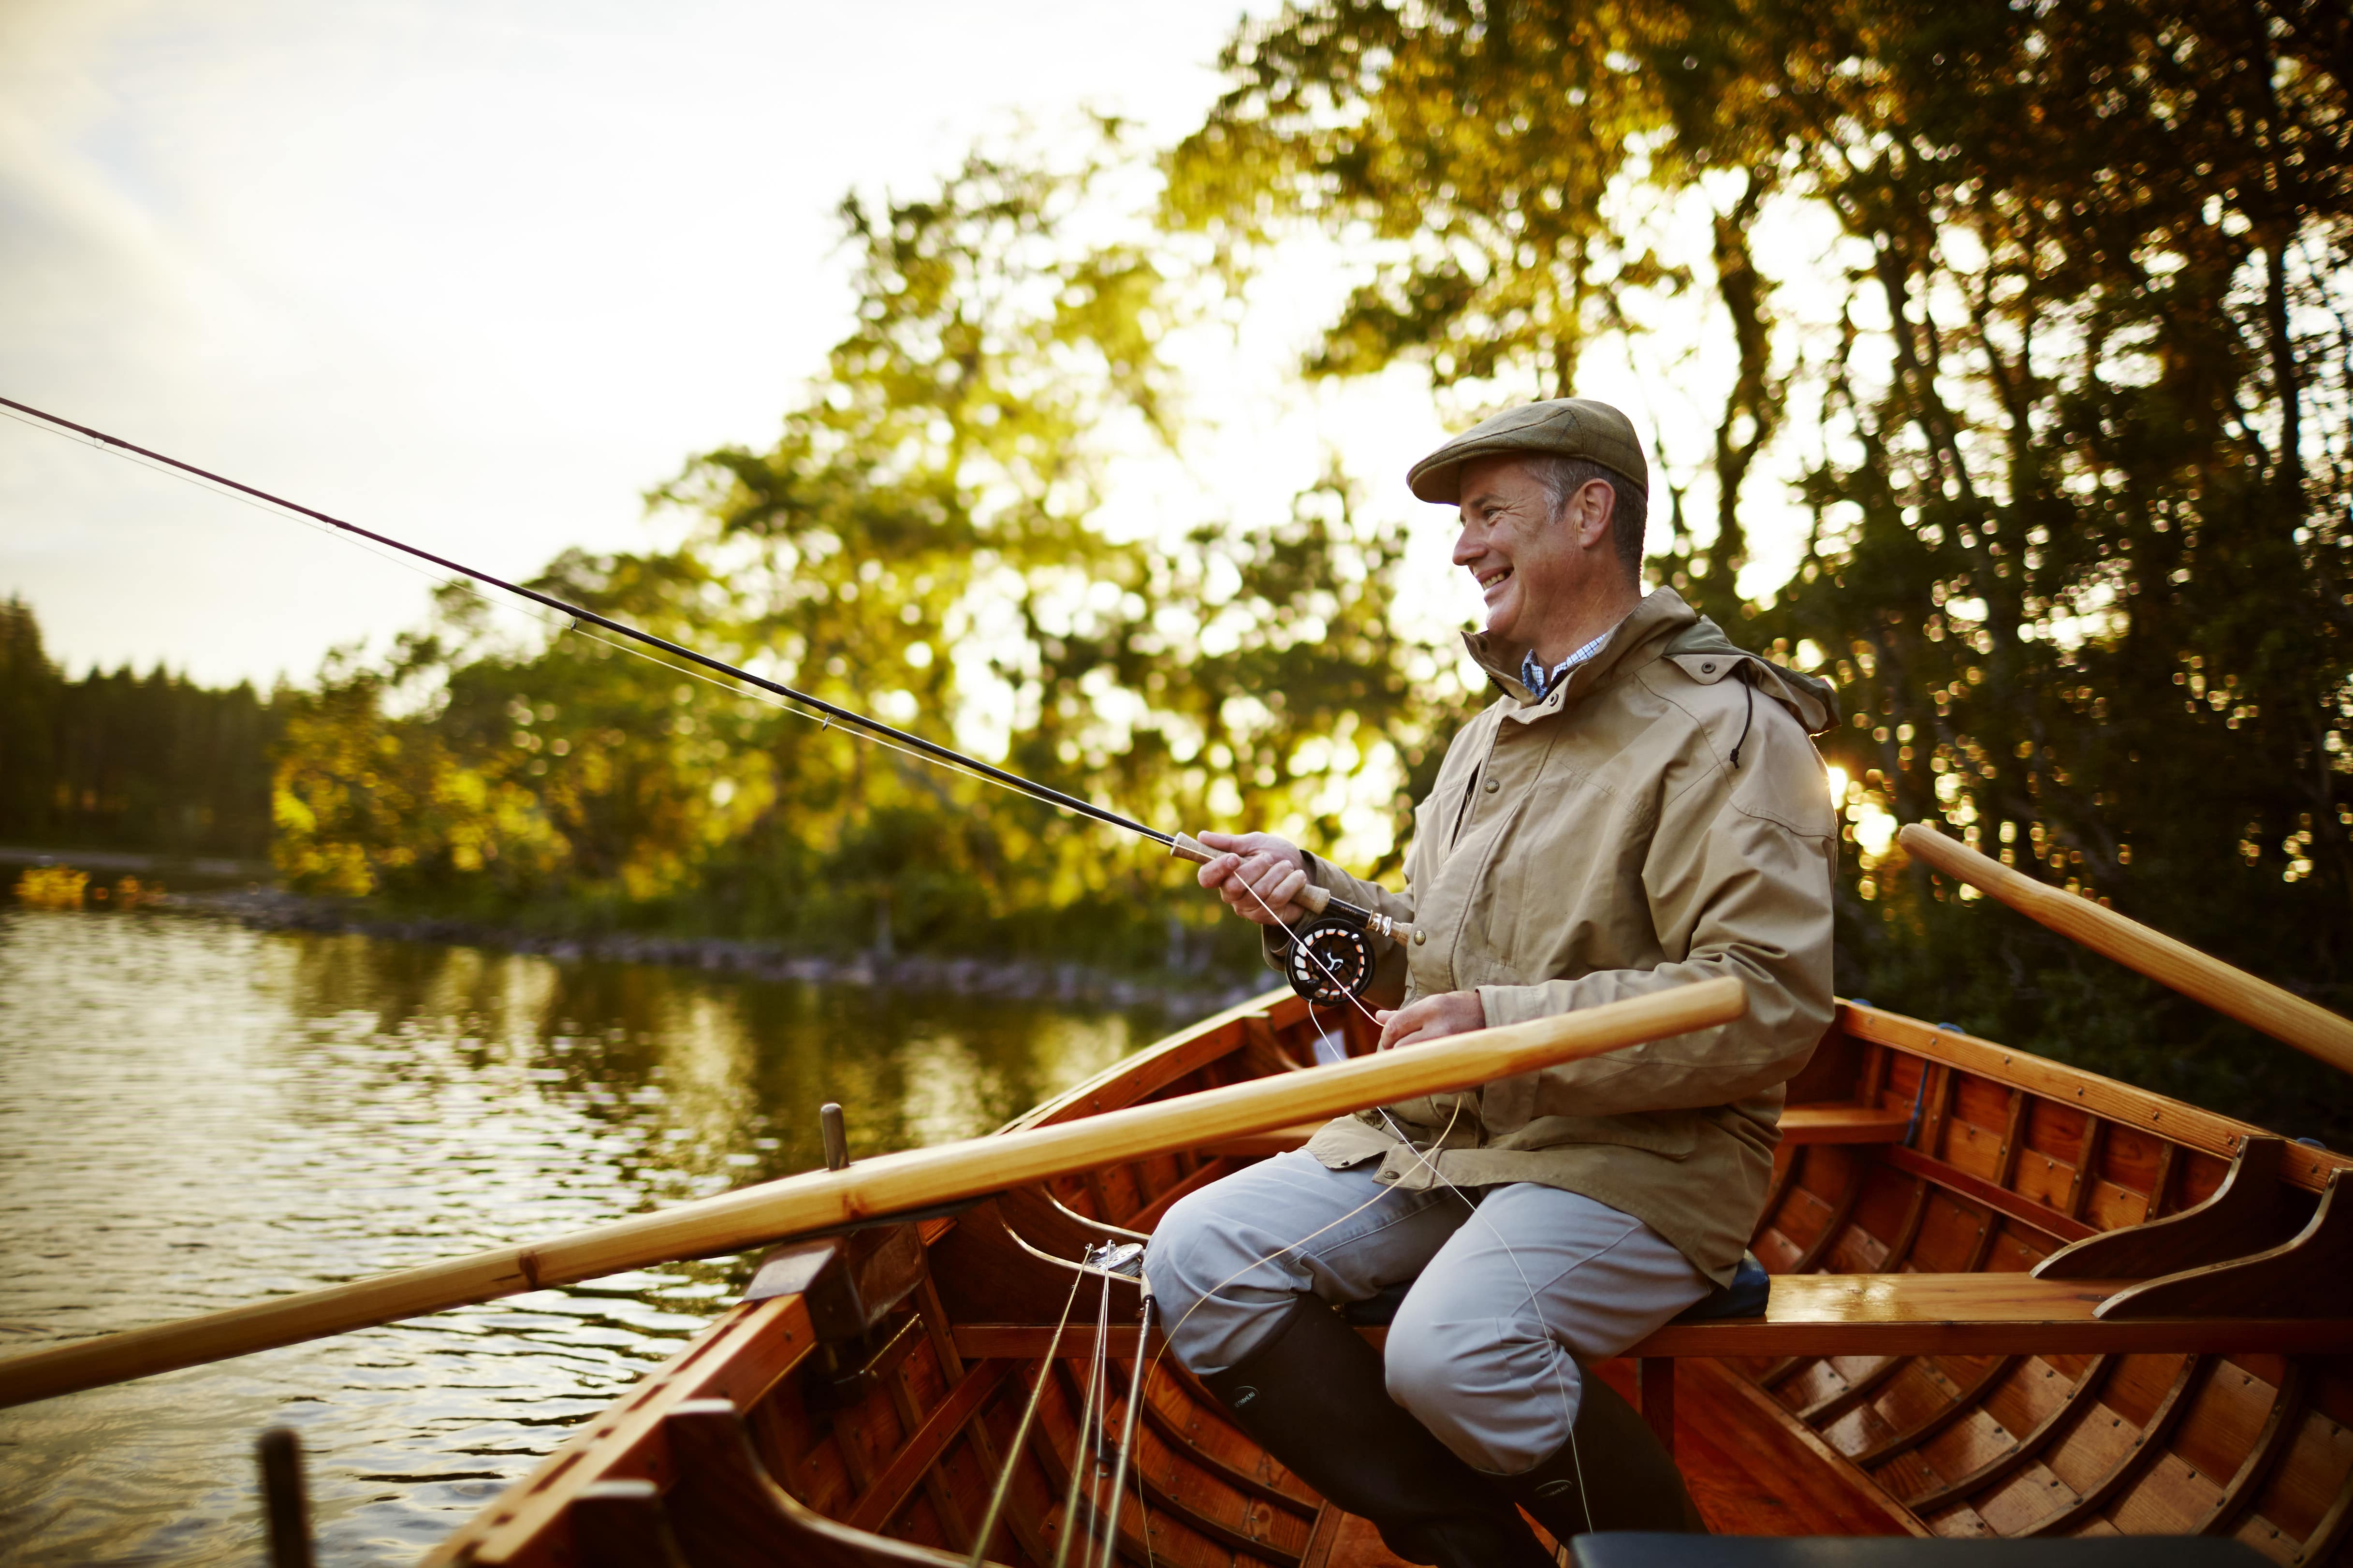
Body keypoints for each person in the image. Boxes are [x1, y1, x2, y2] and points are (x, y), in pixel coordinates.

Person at [1141, 398, 1840, 1565]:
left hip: (1637, 1160)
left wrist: (1500, 1023)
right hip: (1442, 1143)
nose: (1461, 547)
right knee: (1199, 1252)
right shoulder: (1486, 736)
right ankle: (1482, 1554)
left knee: (1451, 1349)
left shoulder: (1728, 724)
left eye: (1486, 514)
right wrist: (1313, 901)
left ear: (1590, 511)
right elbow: (1434, 952)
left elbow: (1762, 998)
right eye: (1463, 523)